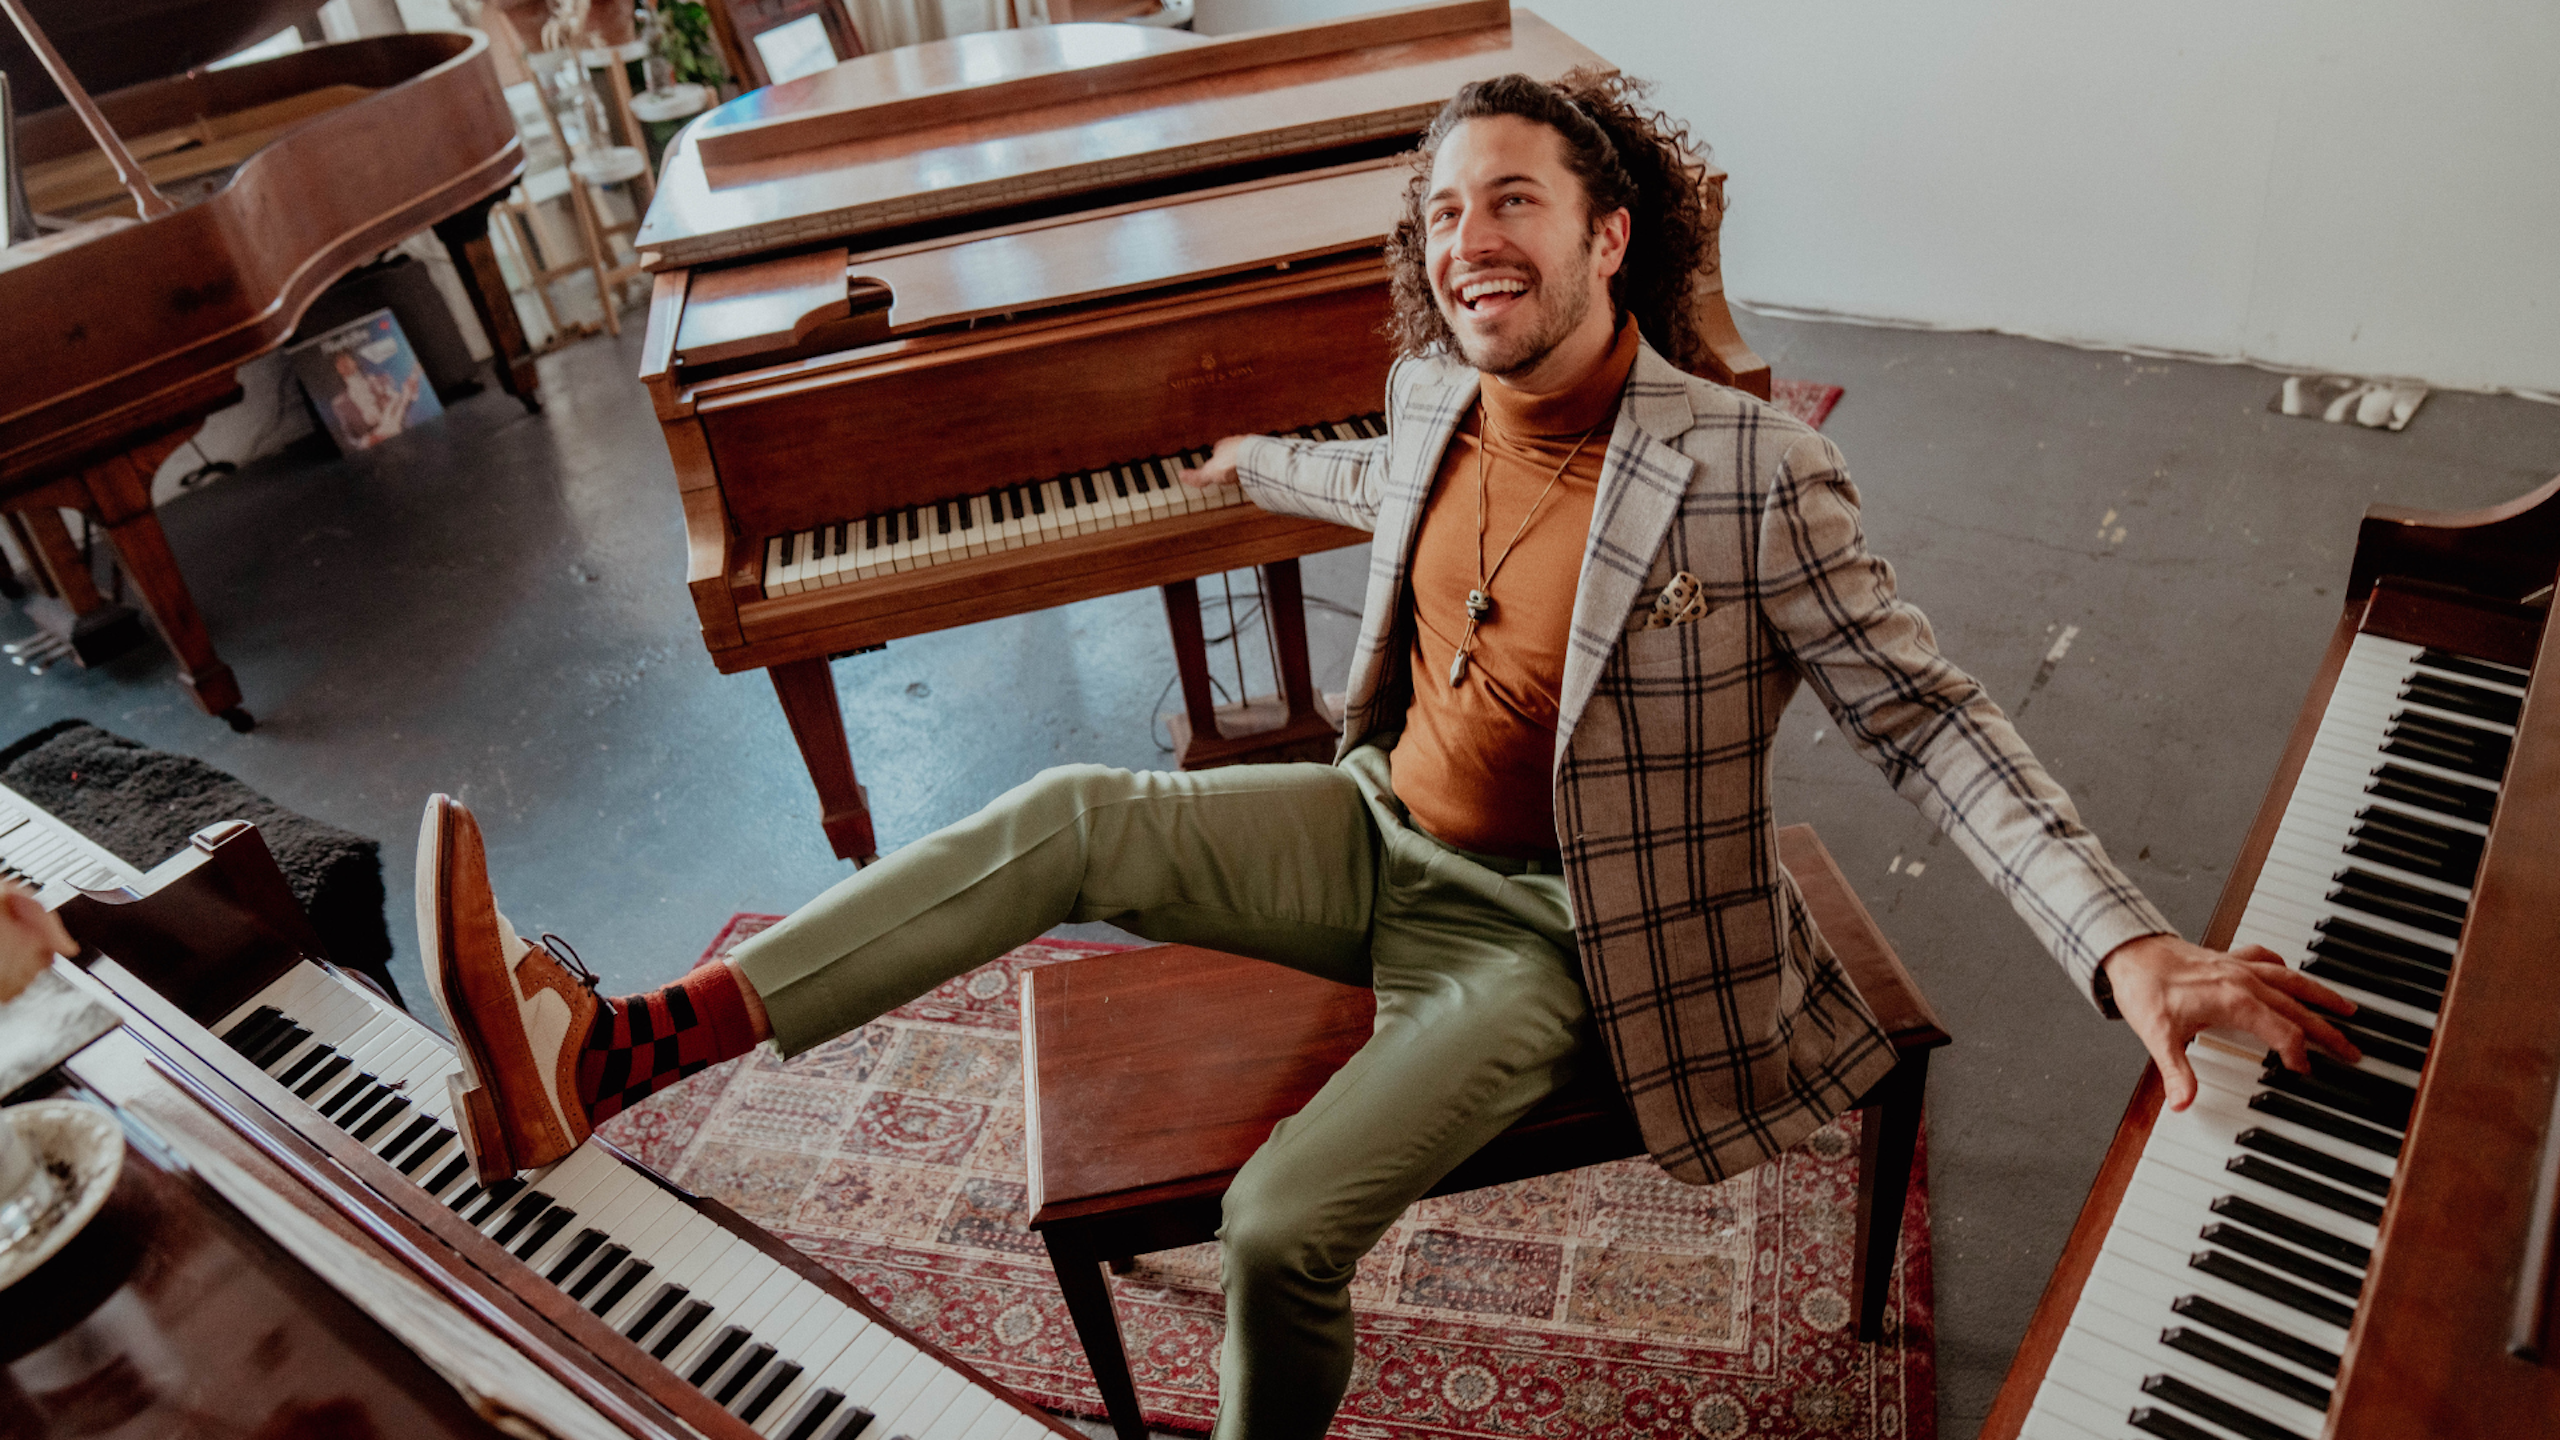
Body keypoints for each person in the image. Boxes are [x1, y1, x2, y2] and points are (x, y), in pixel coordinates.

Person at [422, 69, 2360, 1440]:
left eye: (1509, 199)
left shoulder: (1753, 471)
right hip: (1373, 832)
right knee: (1064, 814)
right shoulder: (1434, 389)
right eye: (1440, 212)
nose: (1464, 239)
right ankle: (624, 1050)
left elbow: (1927, 721)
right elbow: (1380, 478)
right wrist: (1239, 462)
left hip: (1553, 939)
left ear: (1608, 232)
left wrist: (2125, 945)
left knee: (1277, 1230)